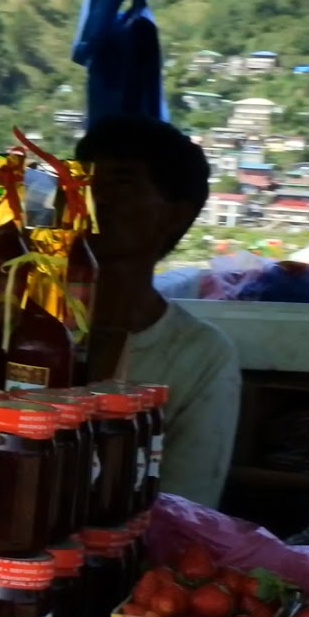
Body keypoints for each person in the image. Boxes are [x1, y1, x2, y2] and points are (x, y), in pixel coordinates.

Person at [76, 115, 241, 508]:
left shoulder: (201, 356)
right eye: (81, 181)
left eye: (120, 184)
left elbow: (187, 510)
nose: (92, 198)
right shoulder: (25, 326)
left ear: (175, 215)